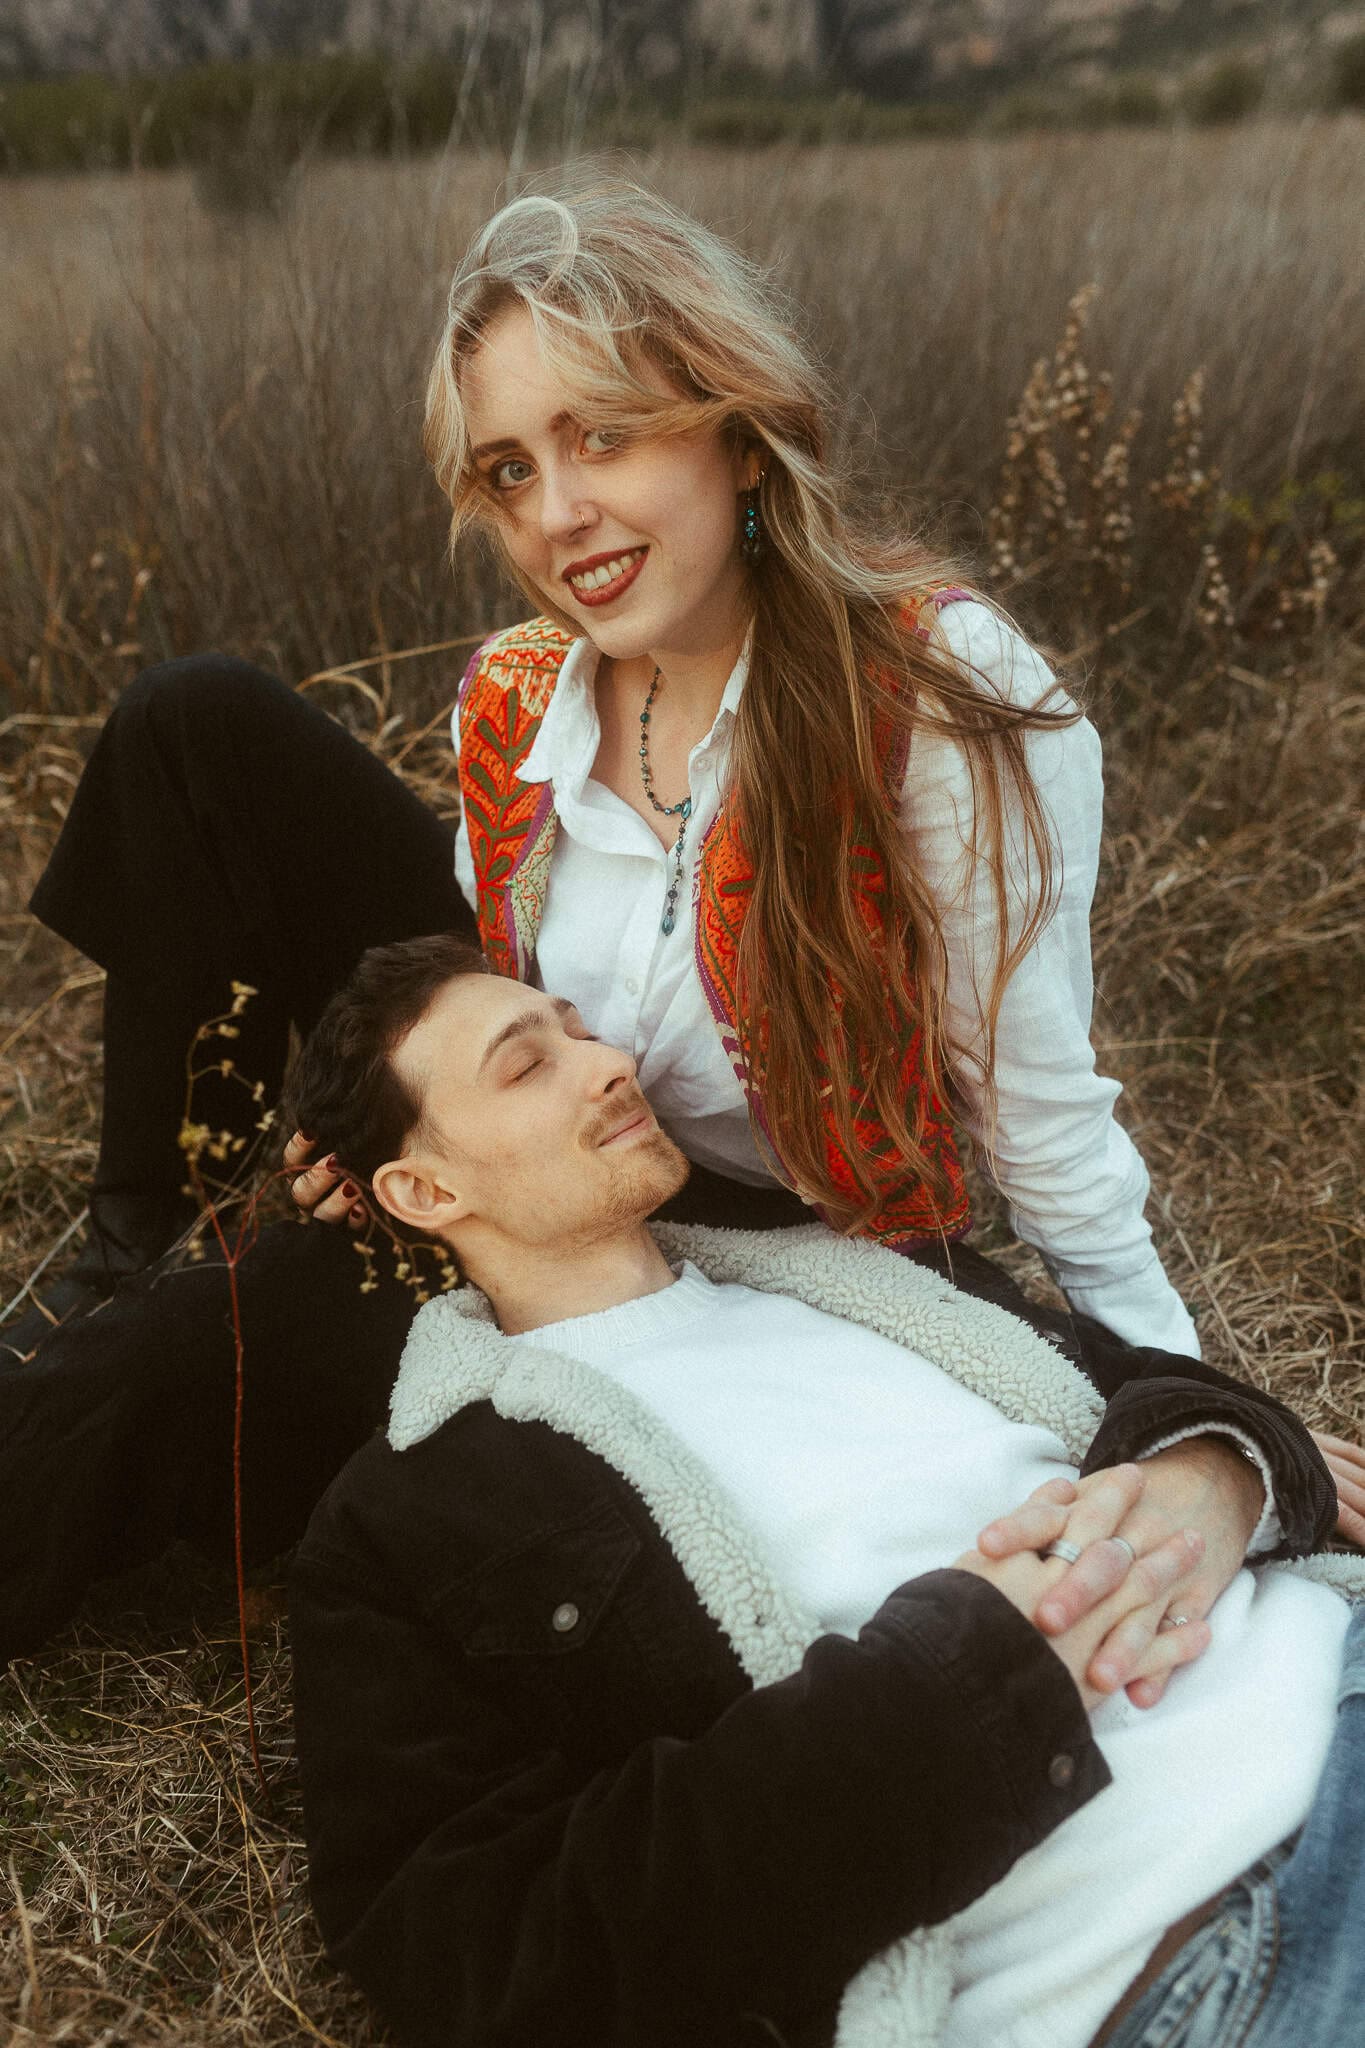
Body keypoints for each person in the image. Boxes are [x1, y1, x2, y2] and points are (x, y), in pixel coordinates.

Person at [3, 172, 1360, 1660]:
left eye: (605, 435)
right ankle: (131, 1233)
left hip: (761, 1239)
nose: (559, 512)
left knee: (210, 1358)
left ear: (735, 424)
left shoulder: (936, 704)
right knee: (203, 726)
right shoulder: (518, 696)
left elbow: (1041, 1121)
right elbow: (481, 973)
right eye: (511, 469)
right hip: (547, 1150)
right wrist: (391, 1129)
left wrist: (1205, 1410)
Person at [286, 931, 1365, 2048]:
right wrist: (946, 1694)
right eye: (526, 1064)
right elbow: (477, 1946)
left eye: (580, 1025)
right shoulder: (412, 1516)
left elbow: (1137, 1386)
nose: (605, 1062)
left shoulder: (851, 1263)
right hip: (1216, 1955)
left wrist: (1220, 1470)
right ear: (423, 1187)